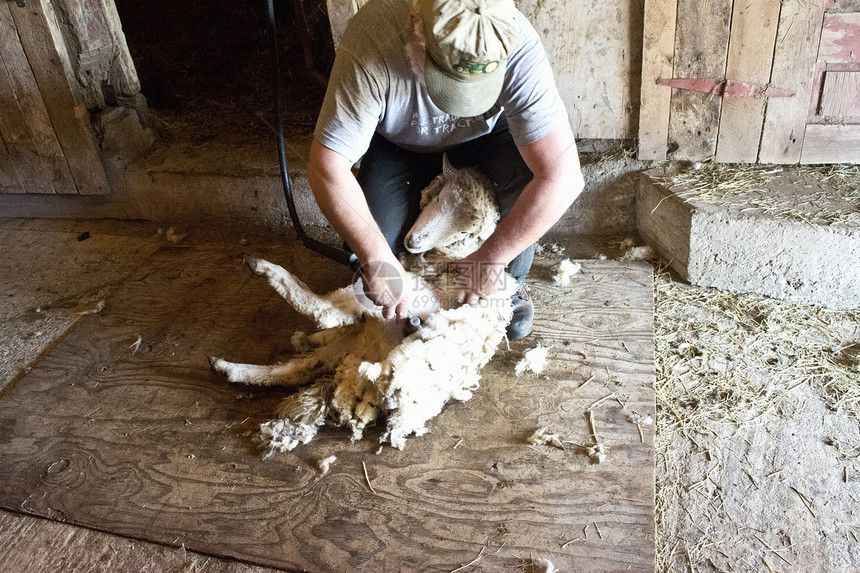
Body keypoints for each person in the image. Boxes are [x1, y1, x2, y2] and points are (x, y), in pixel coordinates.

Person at [307, 0, 584, 339]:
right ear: (415, 27)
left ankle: (508, 282)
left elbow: (564, 176)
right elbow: (327, 168)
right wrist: (375, 256)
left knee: (518, 218)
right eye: (448, 79)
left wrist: (490, 259)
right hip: (400, 141)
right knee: (373, 255)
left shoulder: (515, 41)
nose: (459, 101)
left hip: (487, 137)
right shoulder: (372, 41)